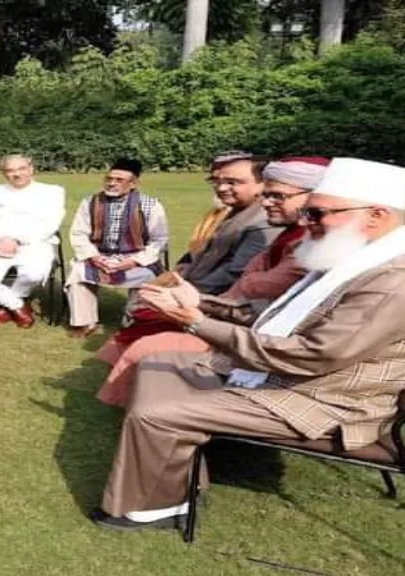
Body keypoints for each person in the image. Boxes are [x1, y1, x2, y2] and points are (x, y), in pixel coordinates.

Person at [90, 158, 405, 531]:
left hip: (327, 401)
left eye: (317, 213)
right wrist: (201, 302)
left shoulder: (396, 281)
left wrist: (198, 322)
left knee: (159, 412)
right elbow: (278, 318)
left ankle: (156, 508)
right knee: (157, 365)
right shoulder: (362, 257)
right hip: (307, 380)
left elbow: (310, 355)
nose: (306, 223)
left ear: (376, 215)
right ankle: (176, 478)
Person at [93, 156, 330, 407]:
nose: (267, 202)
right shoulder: (272, 225)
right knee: (143, 313)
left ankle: (142, 407)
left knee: (148, 342)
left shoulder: (284, 233)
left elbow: (244, 283)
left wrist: (193, 303)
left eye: (277, 196)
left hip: (245, 330)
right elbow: (208, 259)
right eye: (217, 181)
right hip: (222, 309)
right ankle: (132, 397)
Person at [64, 158, 169, 337]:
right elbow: (79, 234)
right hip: (99, 256)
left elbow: (159, 240)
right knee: (78, 271)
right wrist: (94, 257)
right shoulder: (90, 201)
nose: (112, 183)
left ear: (133, 183)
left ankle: (133, 321)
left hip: (135, 258)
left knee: (148, 276)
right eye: (109, 179)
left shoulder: (151, 205)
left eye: (119, 180)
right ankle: (84, 323)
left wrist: (133, 262)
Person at [0, 154, 65, 329]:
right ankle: (16, 305)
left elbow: (52, 223)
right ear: (3, 173)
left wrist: (18, 240)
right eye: (10, 171)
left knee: (35, 273)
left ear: (31, 169)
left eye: (21, 169)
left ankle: (7, 304)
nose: (17, 174)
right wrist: (1, 238)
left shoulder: (52, 191)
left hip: (36, 242)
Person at [176, 153, 279, 295]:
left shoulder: (264, 222)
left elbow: (234, 275)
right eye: (217, 181)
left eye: (232, 182)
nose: (221, 188)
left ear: (263, 183)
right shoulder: (235, 210)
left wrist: (185, 294)